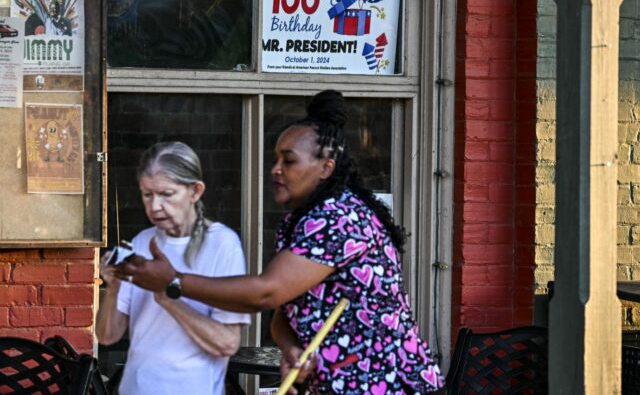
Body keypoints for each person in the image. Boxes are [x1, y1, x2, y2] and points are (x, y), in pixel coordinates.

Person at [121, 91, 445, 394]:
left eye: (288, 161)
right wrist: (290, 347)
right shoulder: (298, 222)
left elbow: (266, 291)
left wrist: (174, 281)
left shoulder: (340, 217)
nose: (275, 169)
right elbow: (282, 312)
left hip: (385, 383)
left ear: (325, 168)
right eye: (275, 158)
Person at [95, 141, 250, 395]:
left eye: (167, 194)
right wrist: (113, 287)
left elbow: (227, 343)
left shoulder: (223, 244)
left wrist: (167, 295)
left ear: (195, 191)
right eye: (147, 194)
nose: (155, 206)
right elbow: (107, 336)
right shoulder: (142, 242)